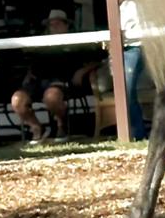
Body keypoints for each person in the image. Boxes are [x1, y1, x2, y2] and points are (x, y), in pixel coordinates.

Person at [9, 9, 102, 144]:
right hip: (37, 81)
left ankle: (61, 124)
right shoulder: (40, 43)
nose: (54, 27)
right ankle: (36, 127)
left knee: (51, 96)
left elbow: (97, 59)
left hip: (62, 82)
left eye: (58, 24)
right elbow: (31, 62)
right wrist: (28, 74)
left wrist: (82, 71)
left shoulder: (76, 42)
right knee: (17, 100)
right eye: (51, 24)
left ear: (66, 25)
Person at [118, 0, 149, 140]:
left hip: (134, 48)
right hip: (125, 50)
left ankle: (138, 132)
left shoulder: (131, 7)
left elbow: (122, 32)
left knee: (127, 91)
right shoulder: (120, 8)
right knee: (125, 91)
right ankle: (134, 131)